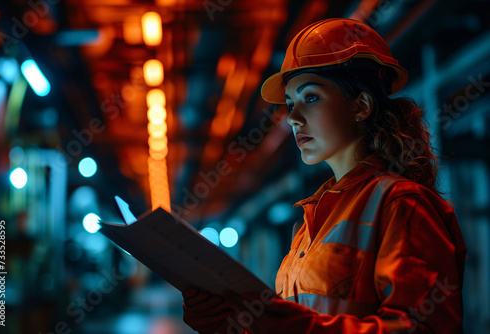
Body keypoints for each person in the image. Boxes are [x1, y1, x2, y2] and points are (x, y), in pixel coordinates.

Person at [181, 18, 467, 334]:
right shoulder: (310, 224)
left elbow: (423, 328)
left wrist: (303, 329)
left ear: (361, 105)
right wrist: (230, 326)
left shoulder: (403, 204)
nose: (292, 118)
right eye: (290, 104)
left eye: (311, 97)